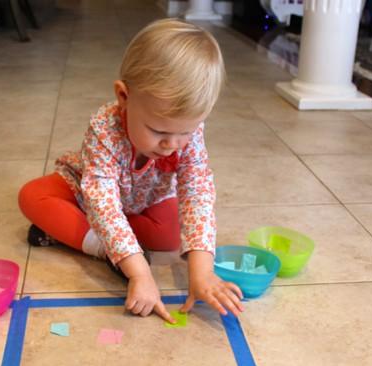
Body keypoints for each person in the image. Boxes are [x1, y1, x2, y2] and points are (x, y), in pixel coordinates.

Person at [18, 18, 244, 323]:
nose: (172, 144)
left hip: (144, 199)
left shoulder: (184, 134)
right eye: (157, 130)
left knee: (171, 237)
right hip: (87, 193)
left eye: (186, 132)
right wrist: (139, 272)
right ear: (124, 97)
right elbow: (102, 204)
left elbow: (198, 194)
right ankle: (107, 249)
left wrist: (202, 273)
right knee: (33, 196)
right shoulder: (103, 128)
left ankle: (98, 239)